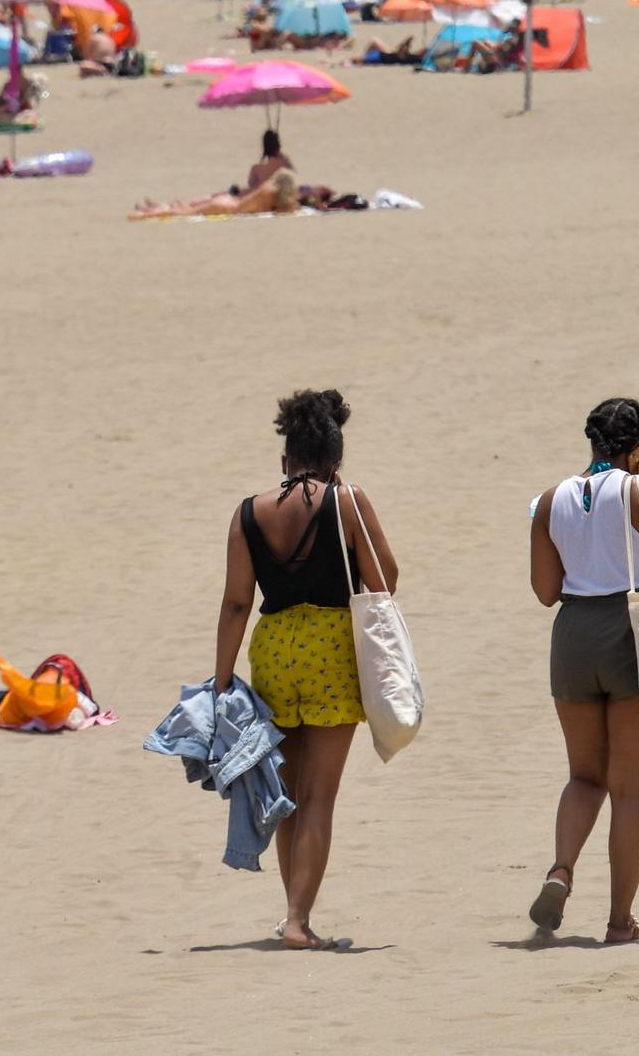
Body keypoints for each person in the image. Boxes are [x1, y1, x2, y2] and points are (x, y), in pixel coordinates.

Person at [214, 389, 397, 950]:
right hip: (330, 648)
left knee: (289, 791)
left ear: (285, 459)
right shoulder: (347, 498)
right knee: (320, 794)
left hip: (273, 647)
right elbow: (384, 578)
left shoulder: (249, 511)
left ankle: (290, 914)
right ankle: (298, 920)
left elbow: (237, 602)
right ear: (336, 459)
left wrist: (220, 681)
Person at [526, 398, 639, 945]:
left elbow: (545, 591)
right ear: (638, 448)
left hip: (573, 636)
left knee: (584, 776)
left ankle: (560, 871)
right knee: (631, 790)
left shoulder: (551, 499)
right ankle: (620, 922)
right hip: (630, 632)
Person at [129, 128, 300, 220]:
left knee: (189, 207)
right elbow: (286, 208)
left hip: (232, 199)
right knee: (184, 213)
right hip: (229, 206)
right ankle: (146, 213)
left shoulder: (259, 168)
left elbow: (252, 185)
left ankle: (152, 208)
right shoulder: (278, 177)